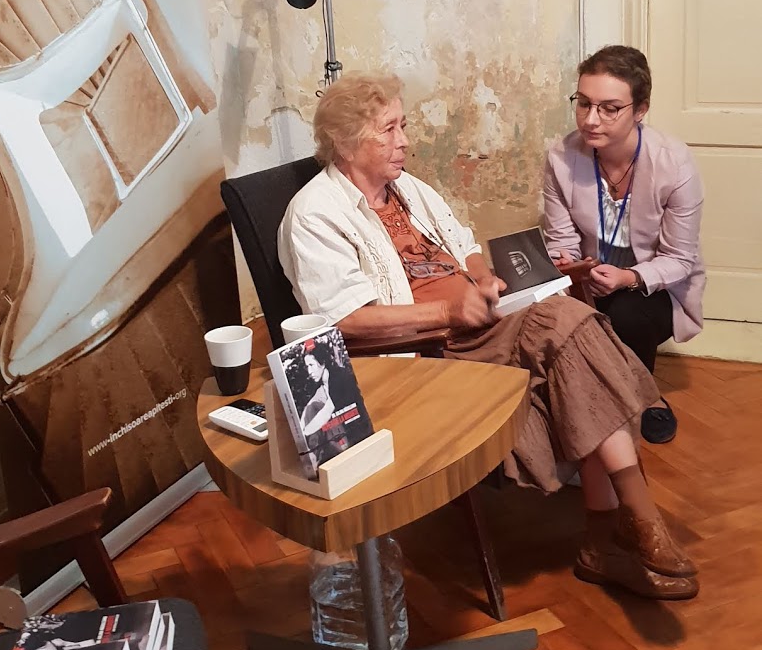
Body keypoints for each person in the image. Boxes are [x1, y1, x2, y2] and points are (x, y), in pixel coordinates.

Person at [278, 72, 699, 601]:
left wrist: (483, 281)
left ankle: (611, 536)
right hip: (429, 346)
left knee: (572, 328)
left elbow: (465, 245)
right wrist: (450, 310)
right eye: (389, 130)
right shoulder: (315, 214)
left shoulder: (408, 189)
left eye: (403, 125)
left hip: (485, 319)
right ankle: (632, 523)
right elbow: (343, 320)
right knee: (572, 329)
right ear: (345, 142)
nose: (404, 140)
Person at [543, 45, 704, 445]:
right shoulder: (562, 157)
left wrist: (628, 276)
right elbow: (561, 241)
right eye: (583, 103)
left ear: (640, 109)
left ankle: (645, 397)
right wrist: (572, 270)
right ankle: (586, 400)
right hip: (590, 278)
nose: (590, 119)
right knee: (550, 314)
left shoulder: (674, 163)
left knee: (627, 313)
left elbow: (679, 259)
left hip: (655, 285)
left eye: (610, 108)